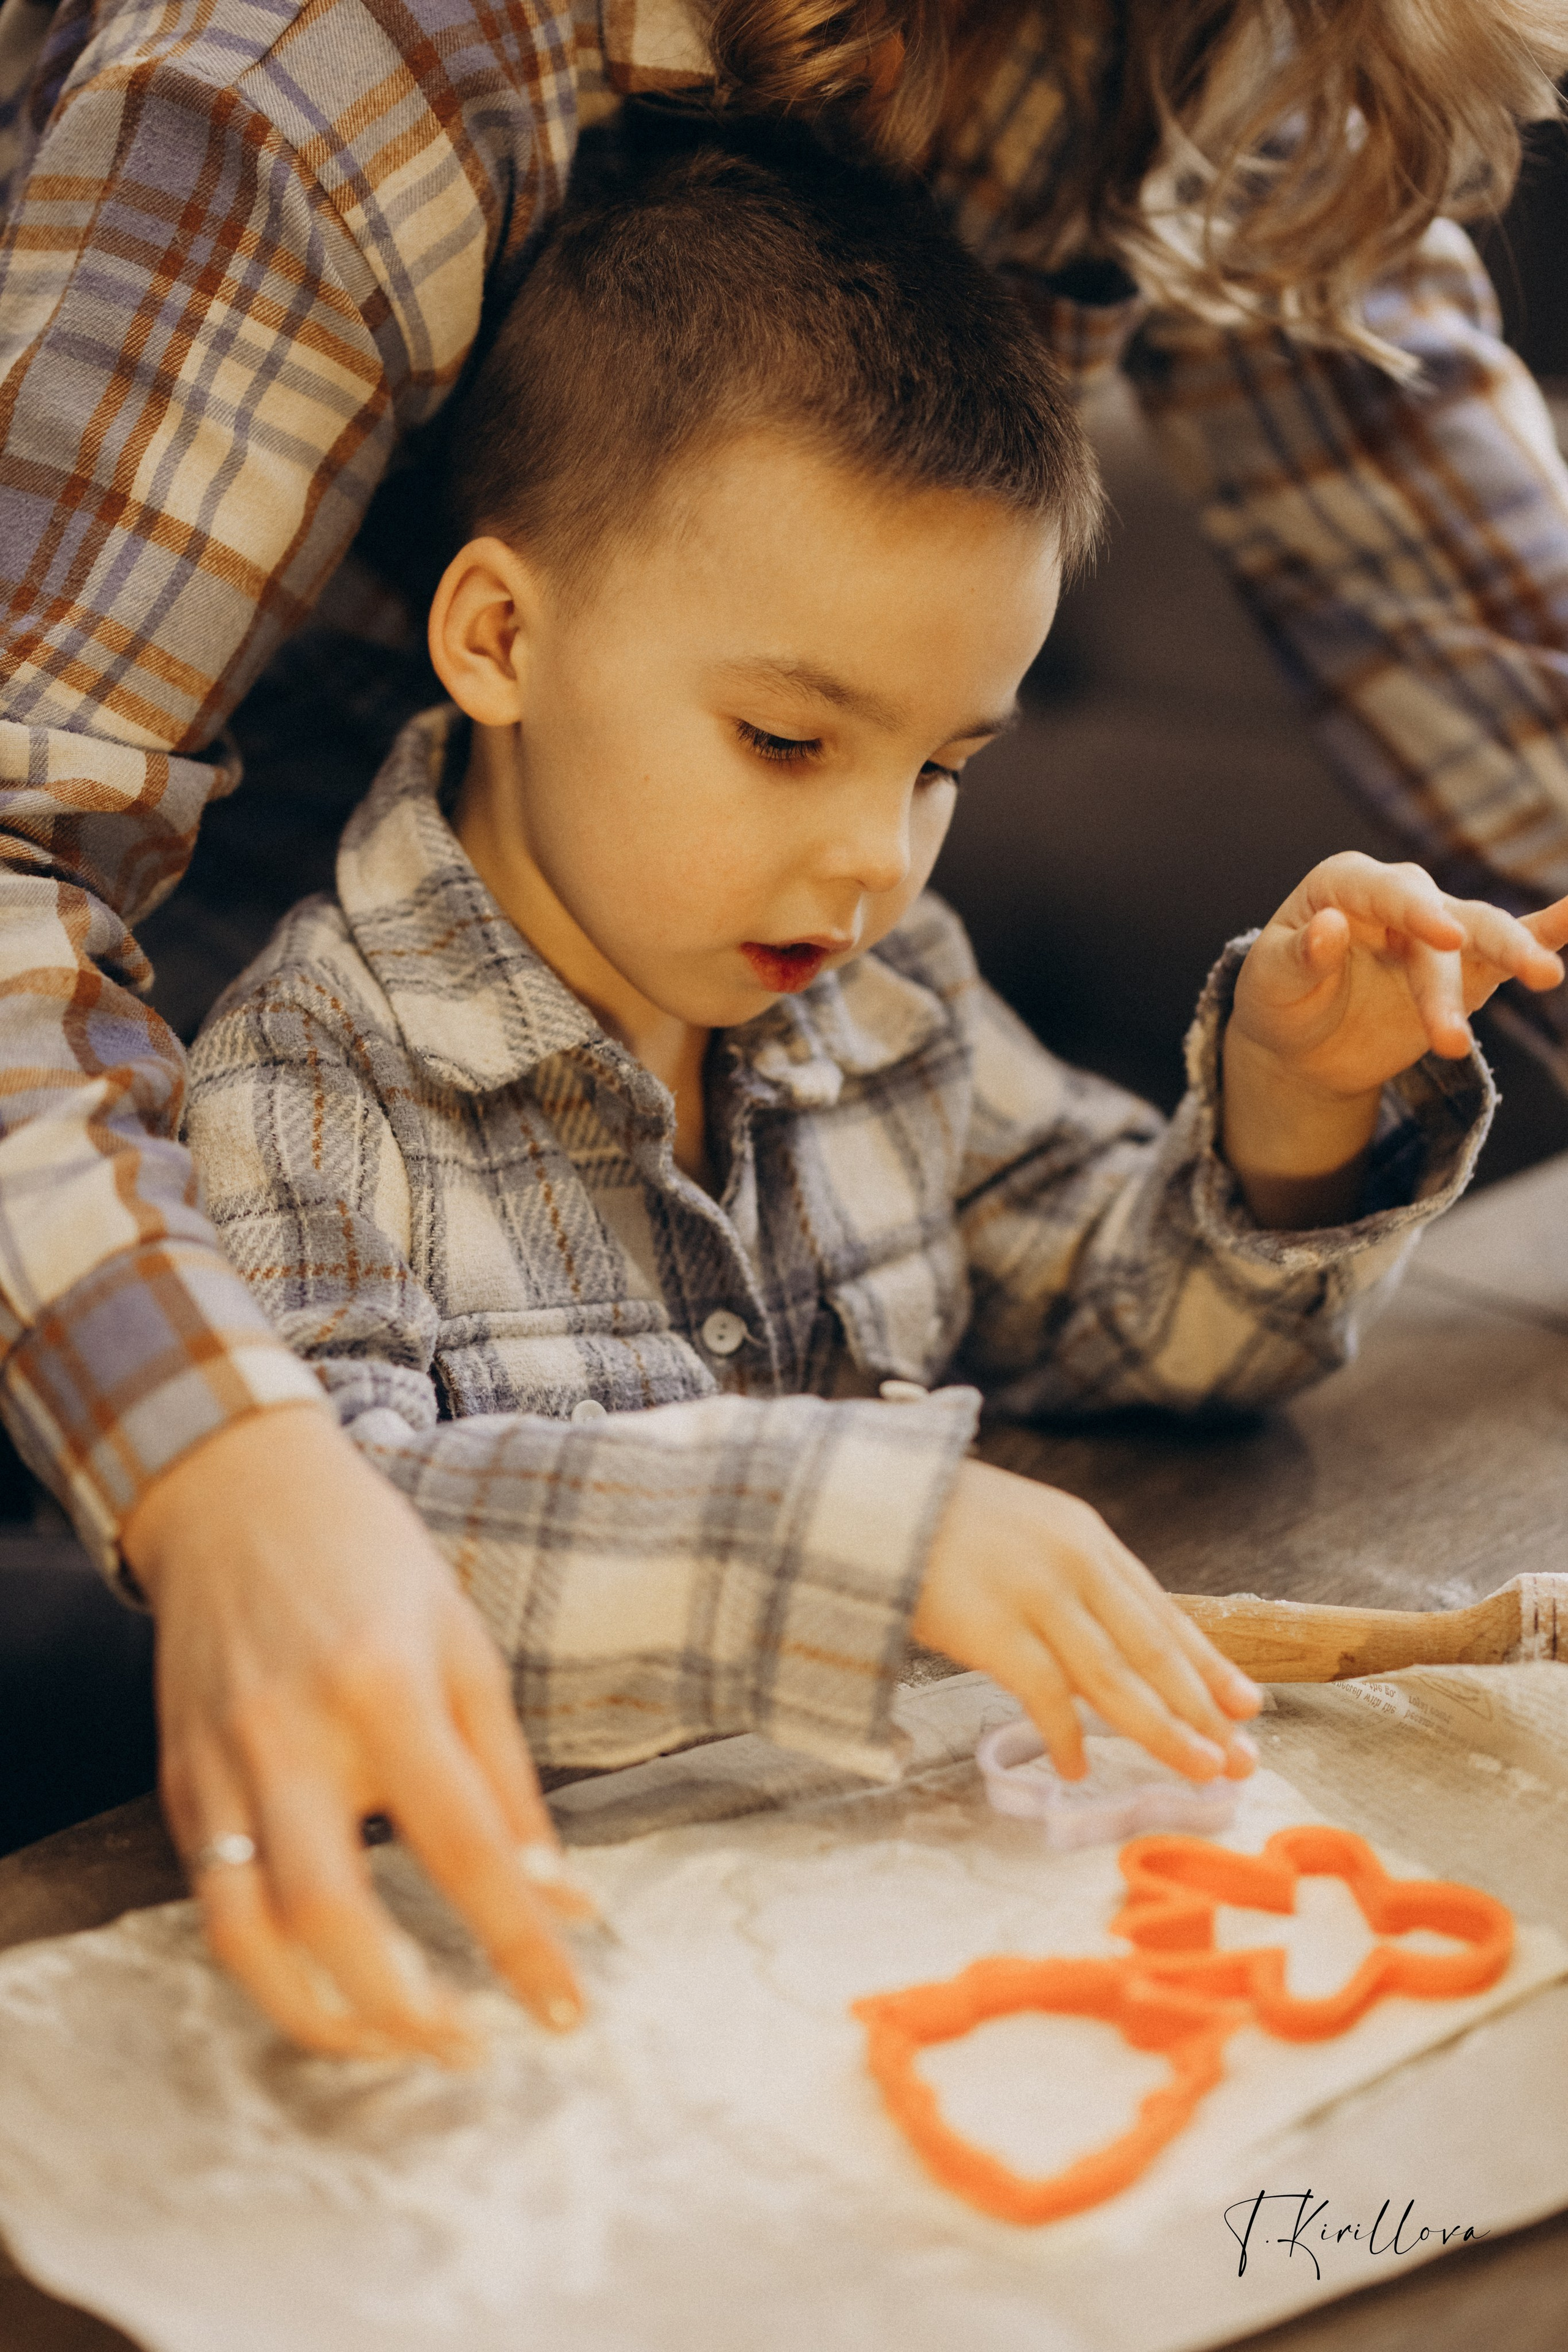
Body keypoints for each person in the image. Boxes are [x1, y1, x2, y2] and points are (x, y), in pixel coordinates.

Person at [0, 0, 1564, 2055]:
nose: (873, 863)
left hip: (827, 1949)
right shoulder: (303, 1081)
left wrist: (1285, 1113)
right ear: (498, 636)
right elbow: (361, 1539)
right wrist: (866, 1538)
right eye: (785, 741)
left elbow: (1136, 1315)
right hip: (508, 1994)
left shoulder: (888, 1002)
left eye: (942, 771)